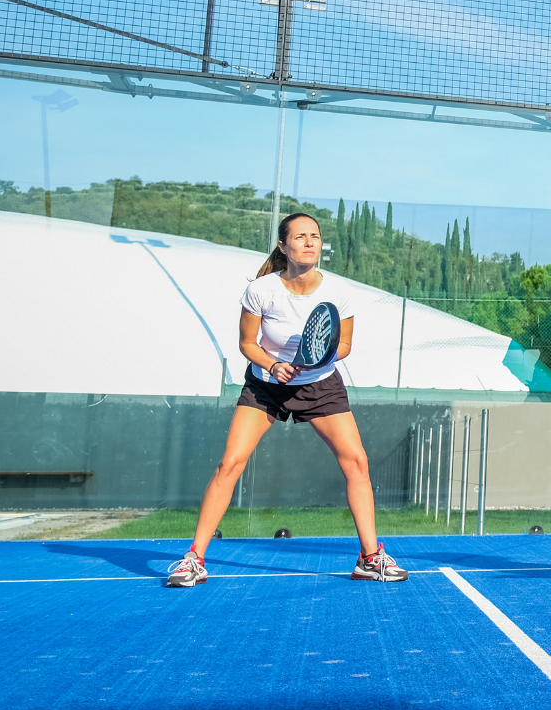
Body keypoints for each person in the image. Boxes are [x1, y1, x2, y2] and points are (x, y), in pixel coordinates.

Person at [164, 212, 408, 587]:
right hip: (266, 386)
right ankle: (194, 559)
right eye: (300, 236)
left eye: (315, 236)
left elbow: (343, 344)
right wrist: (274, 365)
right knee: (230, 463)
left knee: (356, 462)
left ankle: (369, 558)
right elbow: (248, 343)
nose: (310, 242)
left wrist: (318, 359)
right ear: (283, 245)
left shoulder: (338, 293)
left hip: (320, 386)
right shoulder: (261, 290)